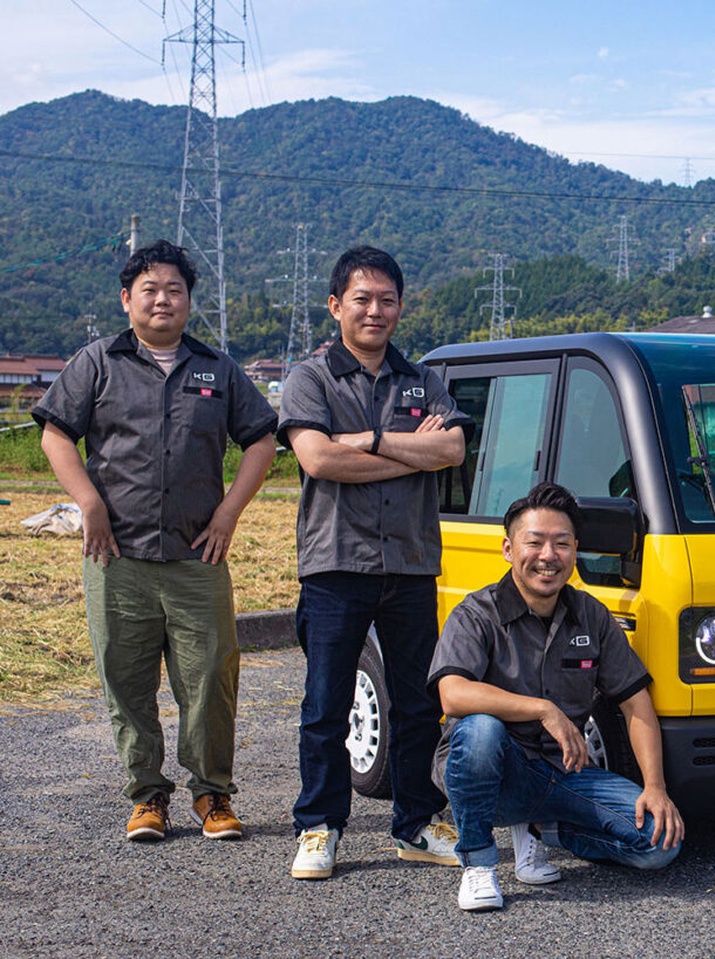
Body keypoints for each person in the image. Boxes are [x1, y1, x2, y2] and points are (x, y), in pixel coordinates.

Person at [31, 239, 277, 842]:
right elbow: (56, 436)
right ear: (127, 300)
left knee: (211, 678)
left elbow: (262, 442)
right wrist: (88, 502)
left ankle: (211, 792)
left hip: (198, 556)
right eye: (150, 289)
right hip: (117, 558)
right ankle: (146, 795)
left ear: (189, 300)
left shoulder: (217, 370)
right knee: (126, 677)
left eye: (175, 289)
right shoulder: (97, 363)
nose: (163, 298)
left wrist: (228, 514)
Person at [279, 245, 472, 880]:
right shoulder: (311, 378)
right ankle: (319, 826)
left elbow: (452, 450)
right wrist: (411, 450)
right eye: (362, 299)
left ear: (400, 307)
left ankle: (416, 823)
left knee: (419, 702)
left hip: (412, 564)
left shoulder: (421, 379)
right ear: (336, 306)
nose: (375, 310)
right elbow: (319, 461)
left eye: (387, 299)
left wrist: (372, 440)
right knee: (327, 703)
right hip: (335, 562)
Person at [427, 482, 684, 912]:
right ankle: (478, 862)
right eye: (535, 542)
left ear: (575, 550)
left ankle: (543, 830)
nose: (548, 555)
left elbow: (635, 702)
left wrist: (655, 787)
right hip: (492, 774)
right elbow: (452, 695)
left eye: (561, 544)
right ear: (509, 549)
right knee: (480, 729)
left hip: (559, 774)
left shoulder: (591, 615)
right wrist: (543, 710)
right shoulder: (476, 613)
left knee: (659, 843)